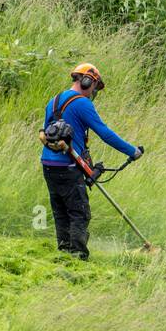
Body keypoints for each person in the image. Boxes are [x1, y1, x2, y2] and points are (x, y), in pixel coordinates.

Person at [40, 63, 142, 259]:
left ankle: (64, 251)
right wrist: (132, 151)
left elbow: (44, 132)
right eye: (94, 85)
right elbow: (105, 134)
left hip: (48, 164)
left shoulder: (52, 101)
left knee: (61, 210)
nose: (94, 90)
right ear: (87, 81)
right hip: (69, 166)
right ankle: (78, 255)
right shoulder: (83, 104)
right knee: (79, 213)